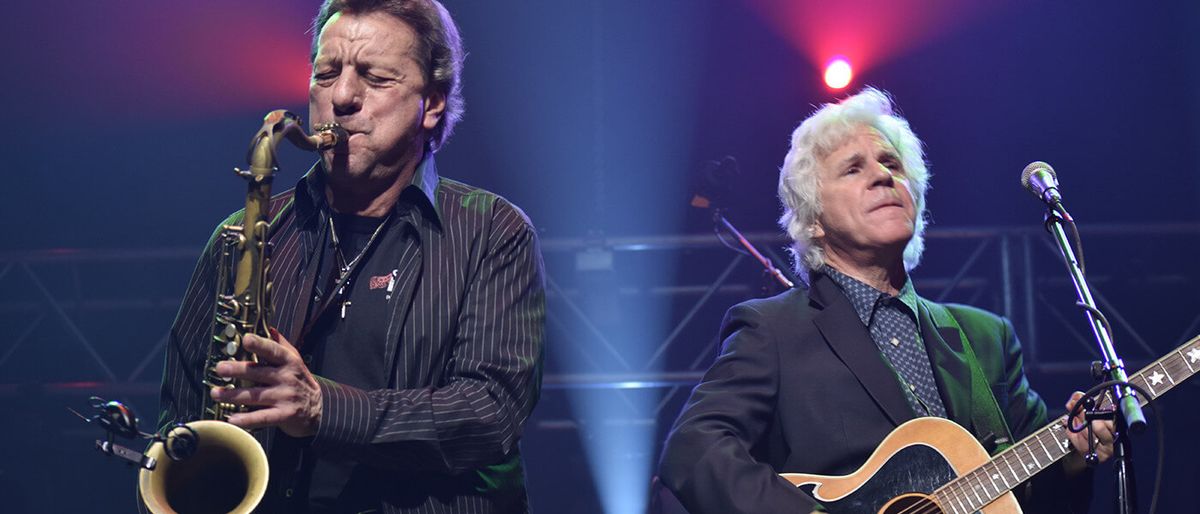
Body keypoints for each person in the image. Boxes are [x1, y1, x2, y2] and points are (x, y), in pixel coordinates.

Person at [156, 1, 546, 512]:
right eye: (326, 74)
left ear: (431, 104)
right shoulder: (243, 235)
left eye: (375, 78)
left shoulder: (493, 231)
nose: (341, 97)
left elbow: (490, 414)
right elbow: (182, 422)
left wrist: (322, 408)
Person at [657, 88, 1113, 513]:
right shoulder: (773, 329)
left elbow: (1031, 497)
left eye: (892, 164)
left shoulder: (985, 336)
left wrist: (1075, 457)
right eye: (853, 168)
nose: (882, 175)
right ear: (814, 219)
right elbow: (693, 449)